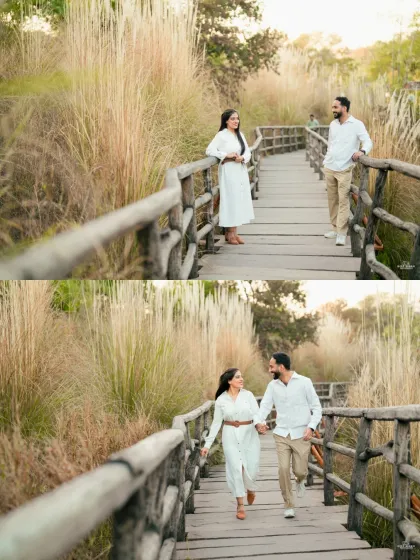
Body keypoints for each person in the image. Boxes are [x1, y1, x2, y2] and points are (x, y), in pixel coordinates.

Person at [254, 352, 322, 519]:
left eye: (271, 366)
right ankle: (289, 504)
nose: (270, 370)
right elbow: (264, 407)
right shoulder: (272, 386)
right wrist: (259, 422)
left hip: (301, 434)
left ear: (281, 367)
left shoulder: (304, 382)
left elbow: (317, 408)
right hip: (281, 434)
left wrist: (311, 427)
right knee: (283, 469)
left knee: (300, 471)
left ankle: (300, 481)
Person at [200, 368, 265, 520]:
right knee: (236, 468)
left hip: (249, 434)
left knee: (251, 467)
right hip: (230, 435)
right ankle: (240, 504)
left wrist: (260, 424)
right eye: (237, 377)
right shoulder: (221, 400)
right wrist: (207, 445)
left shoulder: (248, 395)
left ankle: (250, 488)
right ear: (229, 381)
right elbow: (216, 424)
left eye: (242, 376)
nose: (241, 379)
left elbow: (256, 414)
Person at [322, 96, 373, 247]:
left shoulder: (356, 124)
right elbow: (331, 144)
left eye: (335, 107)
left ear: (344, 108)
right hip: (330, 166)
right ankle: (334, 228)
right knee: (332, 200)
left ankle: (342, 233)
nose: (333, 110)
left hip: (344, 168)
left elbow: (368, 141)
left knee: (343, 200)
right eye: (332, 107)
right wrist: (327, 158)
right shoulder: (333, 124)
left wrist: (362, 151)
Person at [205, 110, 255, 245]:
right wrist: (225, 155)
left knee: (238, 199)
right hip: (228, 171)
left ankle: (233, 233)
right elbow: (209, 150)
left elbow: (248, 152)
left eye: (237, 119)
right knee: (231, 199)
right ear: (226, 120)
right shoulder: (221, 135)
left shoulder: (240, 135)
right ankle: (230, 233)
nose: (236, 121)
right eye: (233, 119)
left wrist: (242, 158)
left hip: (240, 170)